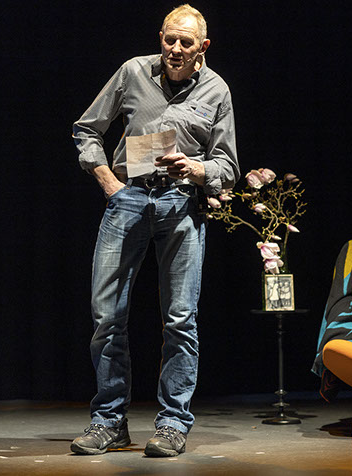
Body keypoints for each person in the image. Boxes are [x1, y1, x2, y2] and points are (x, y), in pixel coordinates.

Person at [70, 4, 240, 457]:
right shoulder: (132, 72)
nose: (176, 48)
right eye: (170, 39)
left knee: (180, 319)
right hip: (129, 199)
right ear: (160, 38)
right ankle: (109, 421)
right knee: (107, 316)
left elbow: (227, 166)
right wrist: (109, 182)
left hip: (181, 204)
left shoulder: (216, 89)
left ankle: (172, 424)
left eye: (186, 42)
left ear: (203, 47)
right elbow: (86, 129)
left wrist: (196, 168)